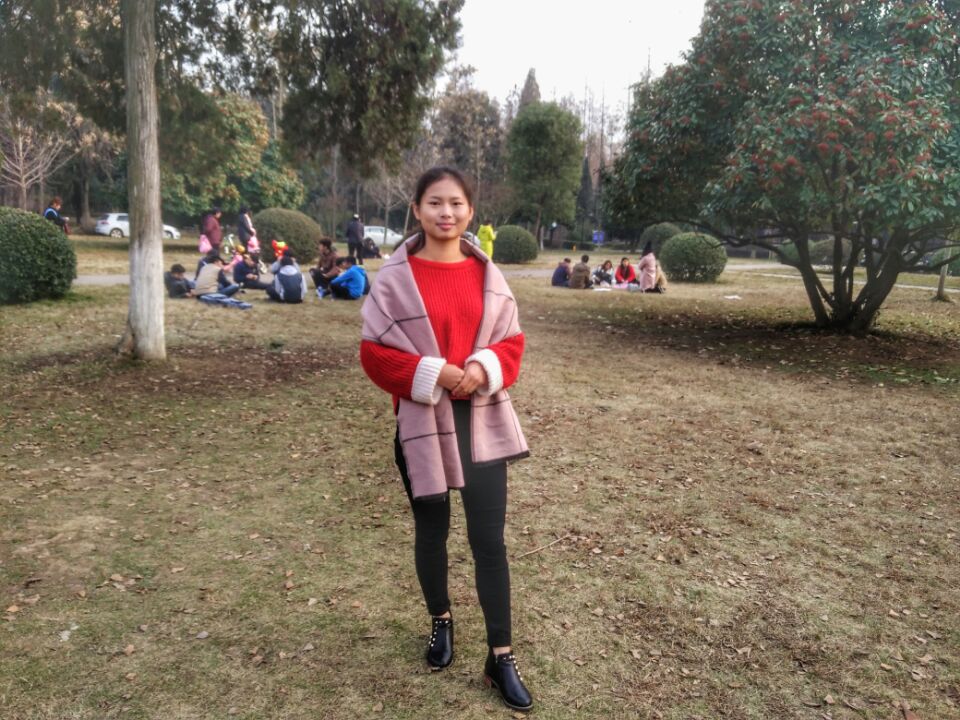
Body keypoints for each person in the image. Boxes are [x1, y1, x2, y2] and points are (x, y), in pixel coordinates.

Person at [360, 166, 533, 712]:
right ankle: (441, 621)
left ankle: (500, 656)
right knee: (432, 533)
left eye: (456, 203)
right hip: (421, 425)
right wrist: (436, 373)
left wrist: (480, 368)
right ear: (416, 209)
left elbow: (512, 342)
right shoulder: (395, 277)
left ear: (470, 211)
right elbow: (374, 354)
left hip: (479, 423)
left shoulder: (488, 275)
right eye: (434, 202)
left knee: (489, 542)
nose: (446, 213)